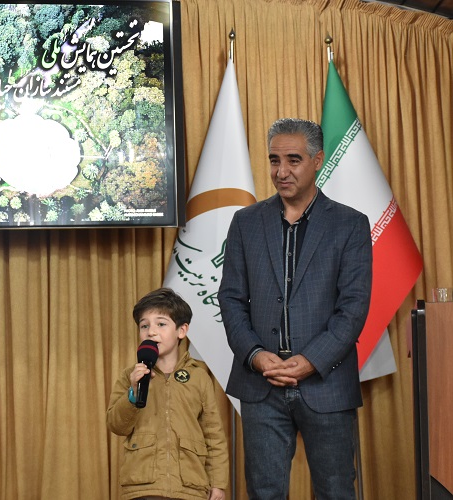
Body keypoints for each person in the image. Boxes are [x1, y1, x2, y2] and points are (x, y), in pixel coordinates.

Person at [219, 118, 373, 499]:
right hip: (261, 384)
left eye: (293, 160)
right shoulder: (245, 222)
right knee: (264, 492)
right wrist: (256, 356)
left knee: (336, 491)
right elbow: (231, 299)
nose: (281, 171)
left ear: (317, 161)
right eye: (274, 160)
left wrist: (310, 361)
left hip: (326, 383)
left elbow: (353, 308)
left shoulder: (350, 225)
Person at [107, 287, 228, 500]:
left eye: (161, 324)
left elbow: (213, 434)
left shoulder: (199, 376)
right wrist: (133, 392)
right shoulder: (130, 376)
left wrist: (218, 483)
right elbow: (117, 425)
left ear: (182, 330)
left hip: (189, 487)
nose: (151, 332)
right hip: (144, 486)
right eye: (144, 325)